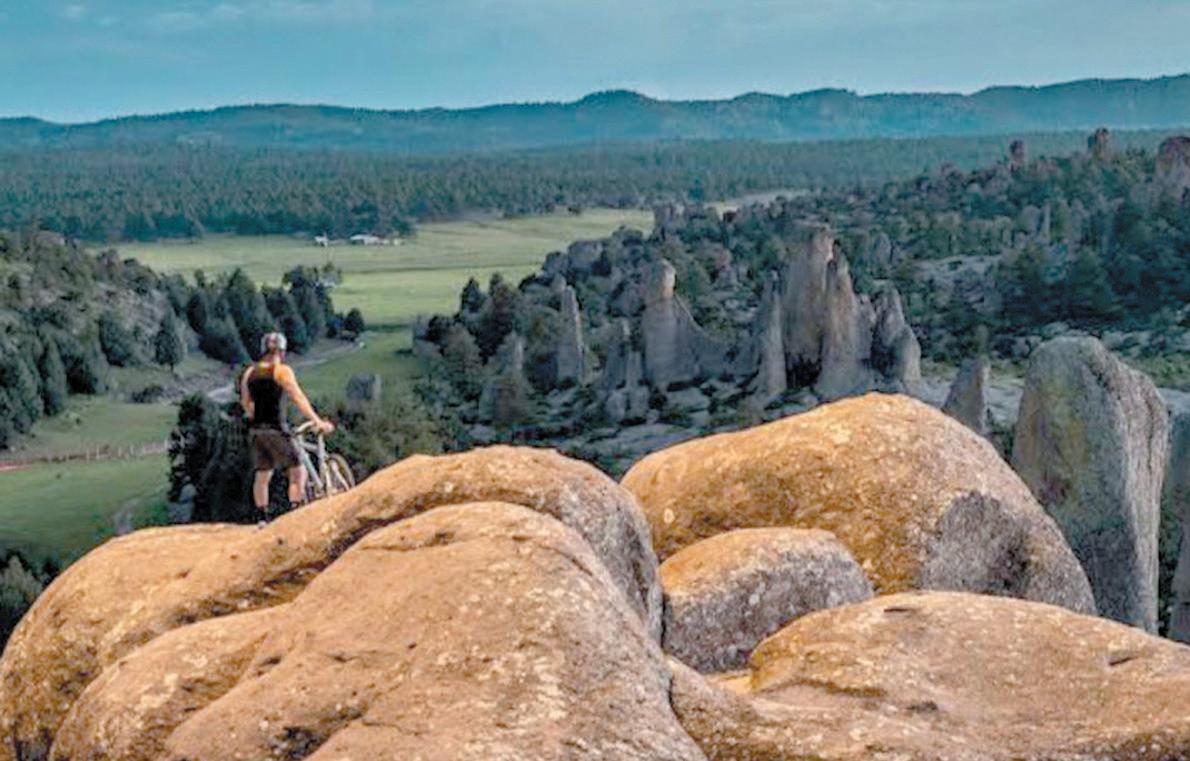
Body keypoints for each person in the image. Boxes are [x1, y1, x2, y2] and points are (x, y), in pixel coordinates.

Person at [240, 332, 334, 522]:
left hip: (257, 430)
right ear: (282, 352)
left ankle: (262, 519)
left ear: (263, 350)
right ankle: (295, 512)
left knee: (263, 475)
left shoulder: (249, 373)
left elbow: (246, 403)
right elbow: (298, 397)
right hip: (277, 428)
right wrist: (317, 421)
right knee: (298, 471)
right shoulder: (282, 371)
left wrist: (257, 414)